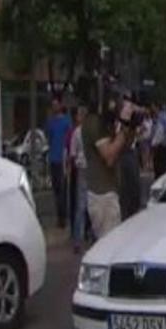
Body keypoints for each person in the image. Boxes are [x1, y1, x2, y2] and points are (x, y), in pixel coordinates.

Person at [83, 99, 136, 239]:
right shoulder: (94, 123)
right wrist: (124, 125)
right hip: (102, 196)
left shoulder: (105, 123)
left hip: (111, 192)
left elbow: (123, 147)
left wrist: (131, 126)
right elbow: (110, 157)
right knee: (110, 246)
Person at [46, 97, 72, 228]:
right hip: (53, 159)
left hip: (63, 159)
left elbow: (70, 140)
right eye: (53, 105)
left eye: (57, 105)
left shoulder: (67, 122)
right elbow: (49, 138)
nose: (55, 107)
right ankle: (59, 215)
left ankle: (63, 217)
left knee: (62, 189)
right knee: (56, 190)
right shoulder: (50, 122)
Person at [67, 106, 89, 253]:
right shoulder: (89, 132)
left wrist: (70, 168)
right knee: (92, 203)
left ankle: (78, 240)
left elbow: (72, 154)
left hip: (81, 169)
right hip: (90, 169)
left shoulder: (77, 132)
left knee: (80, 206)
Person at [150, 103, 166, 177]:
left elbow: (164, 132)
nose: (152, 109)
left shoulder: (162, 118)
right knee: (158, 167)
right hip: (159, 146)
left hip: (161, 146)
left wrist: (158, 142)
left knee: (161, 167)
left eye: (153, 107)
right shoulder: (157, 118)